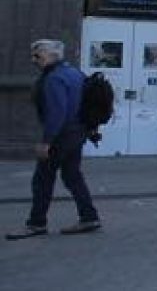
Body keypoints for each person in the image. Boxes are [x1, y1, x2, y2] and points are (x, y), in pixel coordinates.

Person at [6, 40, 101, 240]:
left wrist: (46, 141)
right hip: (78, 134)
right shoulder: (75, 73)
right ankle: (89, 217)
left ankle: (36, 223)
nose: (34, 60)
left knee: (42, 179)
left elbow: (57, 113)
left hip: (61, 136)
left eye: (37, 56)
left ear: (51, 56)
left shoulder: (54, 78)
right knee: (72, 176)